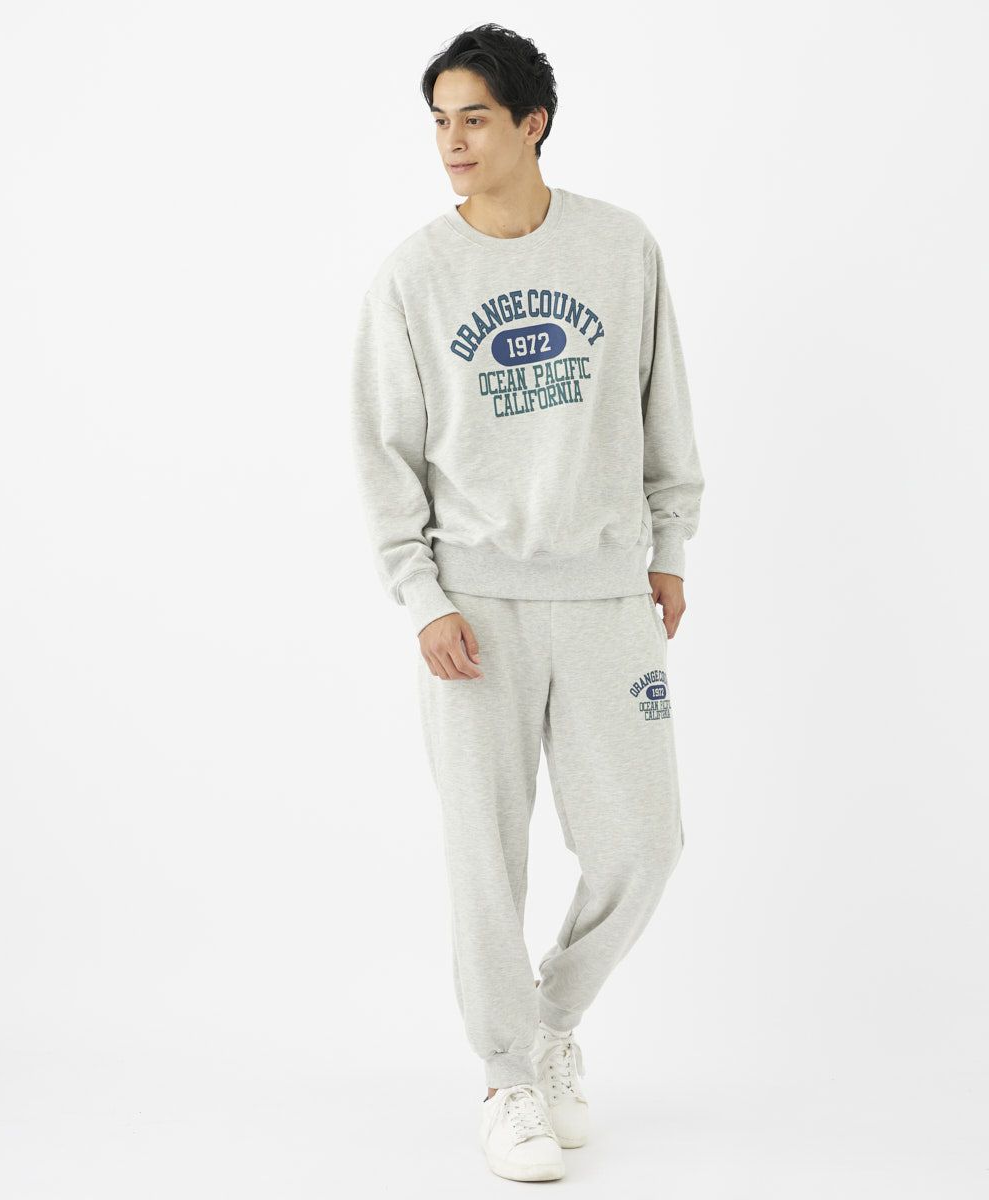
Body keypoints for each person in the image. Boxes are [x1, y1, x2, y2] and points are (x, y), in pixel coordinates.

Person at [349, 22, 704, 1184]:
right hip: (475, 607)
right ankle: (507, 1079)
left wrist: (670, 545)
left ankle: (549, 1021)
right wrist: (420, 596)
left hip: (605, 594)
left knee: (644, 843)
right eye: (440, 122)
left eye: (475, 119)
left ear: (531, 124)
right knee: (483, 859)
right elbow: (383, 452)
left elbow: (662, 404)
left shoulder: (619, 247)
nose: (452, 142)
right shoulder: (415, 274)